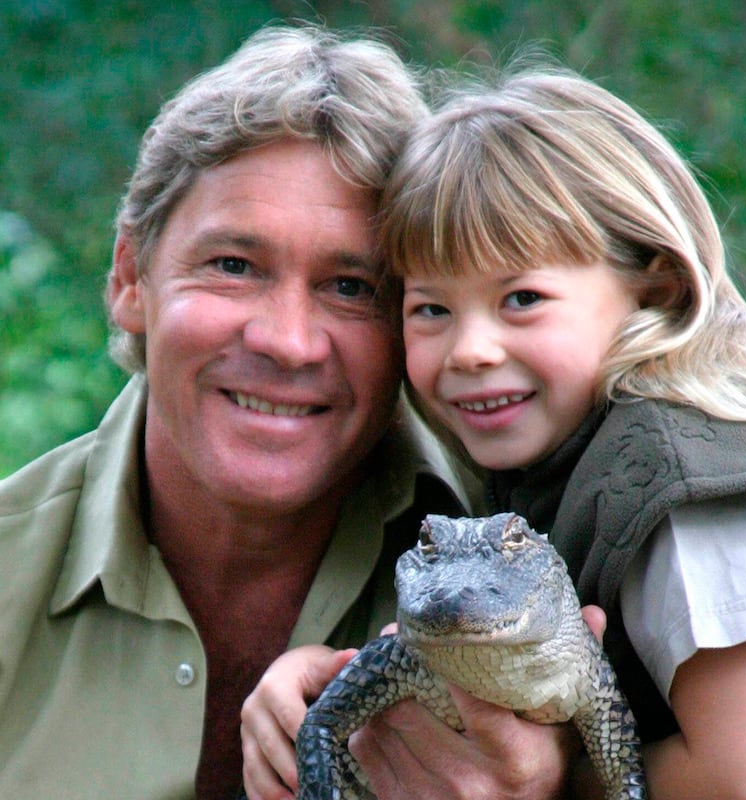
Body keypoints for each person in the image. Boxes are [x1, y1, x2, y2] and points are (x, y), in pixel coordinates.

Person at [0, 24, 498, 800]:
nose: (288, 342)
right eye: (233, 266)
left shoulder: (520, 555)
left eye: (352, 288)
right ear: (130, 279)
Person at [376, 65, 746, 798]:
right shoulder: (559, 459)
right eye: (431, 309)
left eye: (521, 298)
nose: (469, 350)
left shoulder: (689, 479)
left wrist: (539, 780)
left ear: (656, 291)